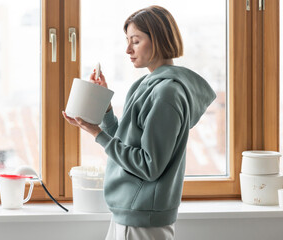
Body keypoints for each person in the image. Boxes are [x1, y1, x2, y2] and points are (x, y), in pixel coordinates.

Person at [63, 5, 216, 240]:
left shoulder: (167, 93)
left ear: (158, 39)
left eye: (135, 40)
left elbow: (148, 165)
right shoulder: (143, 85)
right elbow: (127, 142)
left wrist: (97, 134)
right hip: (127, 213)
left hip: (144, 220)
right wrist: (105, 110)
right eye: (127, 40)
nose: (127, 49)